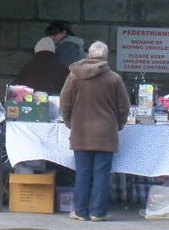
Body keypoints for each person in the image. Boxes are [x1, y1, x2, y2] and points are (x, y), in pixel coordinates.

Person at [60, 41, 129, 221]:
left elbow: (64, 102)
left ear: (89, 55)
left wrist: (69, 122)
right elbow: (124, 107)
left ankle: (81, 212)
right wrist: (118, 125)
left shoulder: (74, 76)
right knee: (102, 174)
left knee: (82, 173)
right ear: (106, 57)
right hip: (106, 133)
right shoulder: (114, 78)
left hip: (81, 131)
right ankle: (98, 212)